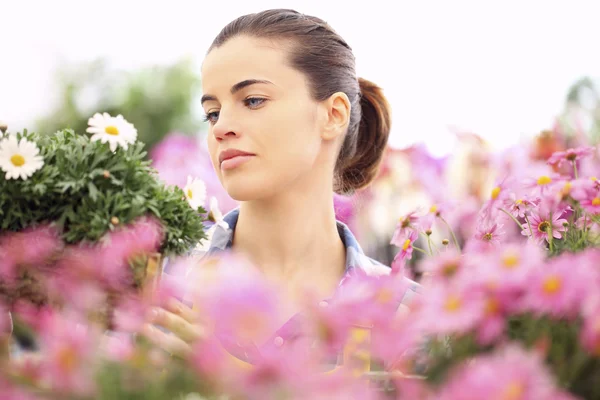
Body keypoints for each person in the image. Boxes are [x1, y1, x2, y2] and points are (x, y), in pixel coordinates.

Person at [144, 8, 421, 365]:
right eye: (212, 112)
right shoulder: (158, 279)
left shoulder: (409, 316)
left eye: (253, 100)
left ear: (333, 114)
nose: (220, 127)